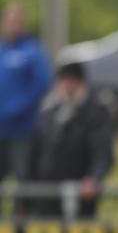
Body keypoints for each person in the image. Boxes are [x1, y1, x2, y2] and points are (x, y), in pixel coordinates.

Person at [26, 62, 113, 218]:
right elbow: (35, 152)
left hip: (81, 194)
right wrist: (29, 191)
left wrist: (94, 178)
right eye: (64, 81)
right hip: (46, 194)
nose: (68, 87)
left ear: (81, 84)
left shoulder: (94, 112)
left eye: (73, 81)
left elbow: (102, 151)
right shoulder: (47, 110)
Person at [0, 3, 52, 207]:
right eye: (8, 20)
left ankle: (21, 226)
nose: (12, 25)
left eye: (16, 21)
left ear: (23, 24)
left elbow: (41, 85)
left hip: (23, 130)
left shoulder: (33, 51)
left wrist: (14, 109)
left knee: (24, 179)